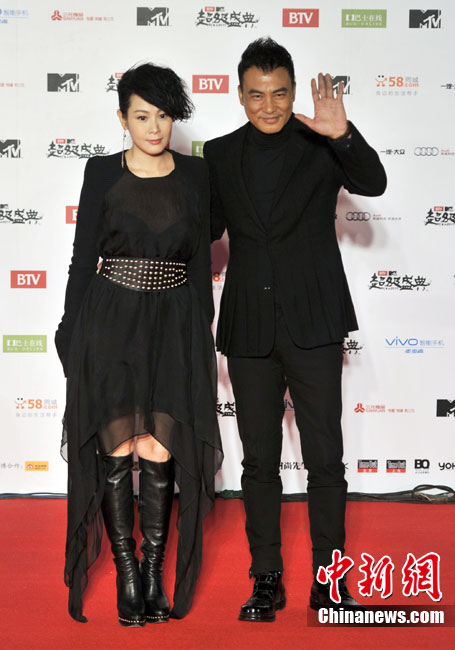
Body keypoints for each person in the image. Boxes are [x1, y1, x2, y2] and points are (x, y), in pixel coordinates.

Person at [203, 37, 386, 622]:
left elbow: (374, 184)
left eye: (280, 93)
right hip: (249, 327)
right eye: (257, 95)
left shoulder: (321, 142)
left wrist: (343, 134)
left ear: (292, 91)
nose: (270, 105)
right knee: (258, 461)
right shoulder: (219, 154)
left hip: (314, 320)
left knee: (325, 458)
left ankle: (329, 582)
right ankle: (266, 580)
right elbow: (204, 230)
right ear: (240, 95)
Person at [55, 62, 223, 626]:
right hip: (110, 321)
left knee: (159, 446)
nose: (154, 127)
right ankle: (127, 570)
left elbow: (198, 262)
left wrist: (201, 331)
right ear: (122, 118)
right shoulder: (102, 171)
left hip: (173, 323)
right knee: (118, 445)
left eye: (164, 116)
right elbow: (83, 259)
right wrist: (69, 327)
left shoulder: (196, 174)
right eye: (142, 116)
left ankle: (154, 569)